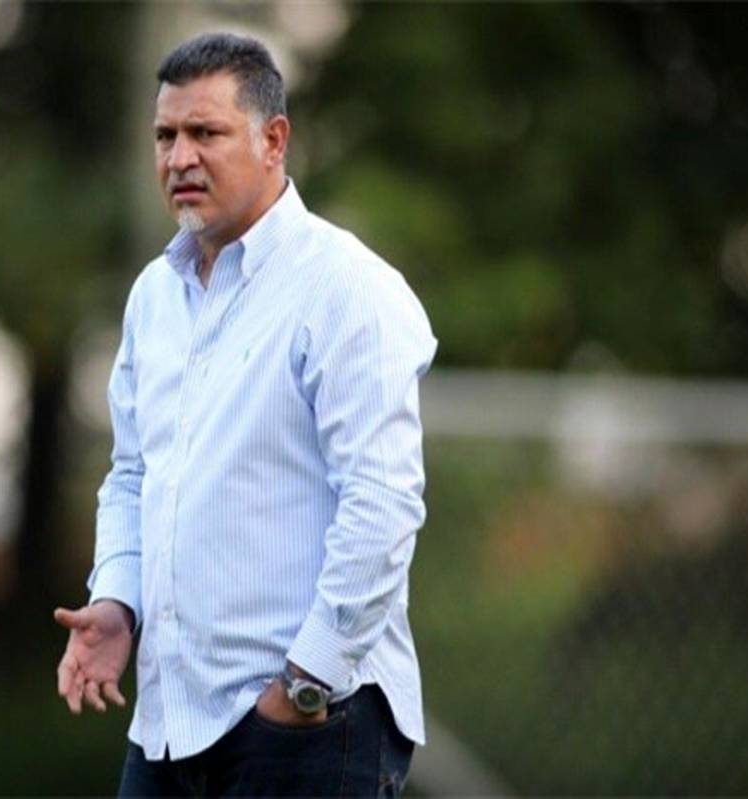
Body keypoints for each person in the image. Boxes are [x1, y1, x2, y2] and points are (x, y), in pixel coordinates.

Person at [54, 32, 438, 797]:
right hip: (170, 722)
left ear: (274, 140)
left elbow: (383, 503)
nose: (179, 158)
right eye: (165, 135)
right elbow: (132, 475)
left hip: (311, 722)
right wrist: (118, 600)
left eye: (206, 132)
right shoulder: (153, 297)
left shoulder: (347, 288)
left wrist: (305, 683)